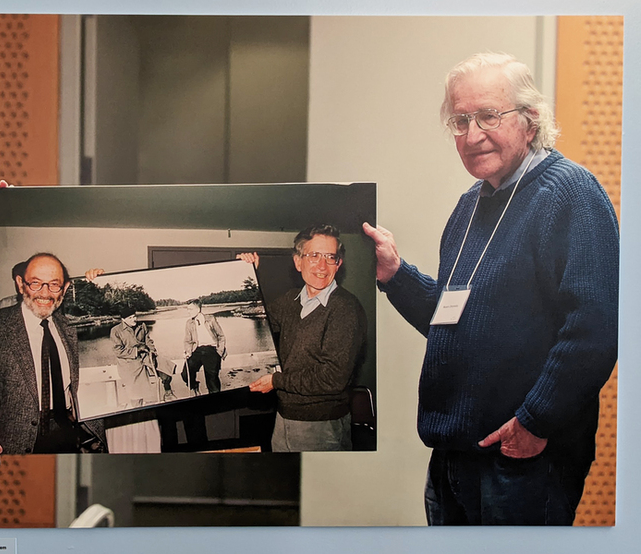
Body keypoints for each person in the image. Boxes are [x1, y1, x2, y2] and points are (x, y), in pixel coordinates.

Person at [362, 52, 619, 525]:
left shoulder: (571, 193)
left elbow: (596, 330)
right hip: (453, 455)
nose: (472, 134)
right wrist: (395, 275)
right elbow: (455, 321)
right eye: (460, 120)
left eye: (488, 116)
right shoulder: (470, 205)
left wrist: (536, 422)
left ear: (531, 119)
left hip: (522, 460)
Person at [241, 223, 367, 452]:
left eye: (330, 257)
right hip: (284, 418)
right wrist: (249, 273)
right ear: (298, 262)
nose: (322, 265)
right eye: (314, 256)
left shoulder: (346, 309)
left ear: (338, 264)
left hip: (322, 426)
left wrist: (276, 381)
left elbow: (332, 378)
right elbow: (262, 320)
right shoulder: (291, 301)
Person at [0, 253, 106, 454]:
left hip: (67, 435)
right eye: (36, 283)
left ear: (64, 289)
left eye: (54, 285)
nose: (45, 293)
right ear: (21, 284)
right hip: (11, 445)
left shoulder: (71, 329)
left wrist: (99, 282)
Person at [110, 308, 174, 405]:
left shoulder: (141, 326)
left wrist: (152, 351)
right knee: (136, 392)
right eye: (130, 317)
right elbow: (118, 351)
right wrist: (136, 350)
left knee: (166, 367)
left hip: (146, 357)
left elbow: (148, 341)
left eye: (134, 316)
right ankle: (137, 409)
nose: (134, 319)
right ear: (123, 319)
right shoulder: (116, 331)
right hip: (129, 362)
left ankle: (168, 393)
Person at [182, 299, 227, 395]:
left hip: (212, 350)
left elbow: (221, 336)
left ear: (198, 309)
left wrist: (219, 351)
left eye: (191, 309)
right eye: (187, 309)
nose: (188, 311)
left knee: (212, 379)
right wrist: (188, 351)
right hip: (197, 350)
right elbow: (187, 341)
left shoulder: (210, 319)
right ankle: (194, 386)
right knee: (185, 374)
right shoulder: (189, 323)